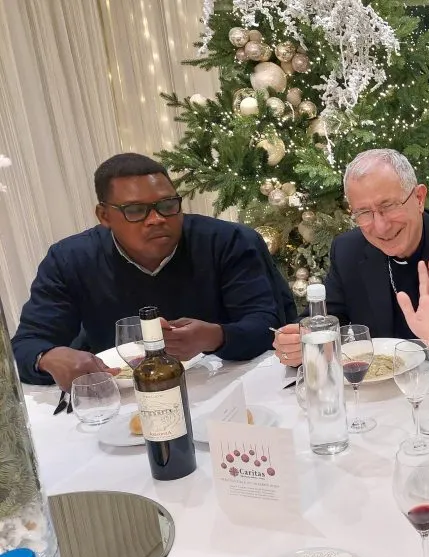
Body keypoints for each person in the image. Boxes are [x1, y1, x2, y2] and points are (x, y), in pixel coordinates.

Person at [12, 153, 293, 390]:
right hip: (125, 398)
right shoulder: (71, 259)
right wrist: (47, 358)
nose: (157, 219)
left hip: (225, 387)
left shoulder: (226, 242)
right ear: (104, 216)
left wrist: (214, 336)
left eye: (168, 205)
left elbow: (268, 327)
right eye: (136, 210)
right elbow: (26, 344)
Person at [272, 149, 429, 372]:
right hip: (376, 395)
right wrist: (298, 343)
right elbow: (325, 321)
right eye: (364, 212)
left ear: (419, 198)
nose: (380, 226)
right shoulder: (348, 250)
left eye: (388, 206)